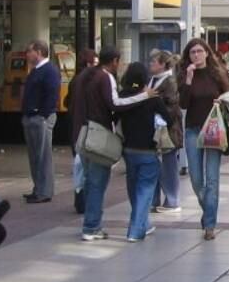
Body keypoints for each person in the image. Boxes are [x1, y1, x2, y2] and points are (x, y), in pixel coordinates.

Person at [70, 47, 154, 241]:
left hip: (82, 135)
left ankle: (91, 224)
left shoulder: (85, 76)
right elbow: (115, 104)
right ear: (114, 61)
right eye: (119, 61)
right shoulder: (105, 77)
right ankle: (91, 227)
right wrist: (144, 96)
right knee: (97, 182)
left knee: (90, 182)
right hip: (98, 136)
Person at [178, 38, 229, 240]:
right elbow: (183, 104)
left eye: (200, 51)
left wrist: (222, 101)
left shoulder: (216, 74)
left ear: (207, 53)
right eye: (192, 52)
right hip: (193, 129)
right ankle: (208, 210)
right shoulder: (185, 75)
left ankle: (209, 225)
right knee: (195, 178)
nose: (196, 55)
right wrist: (189, 79)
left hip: (213, 130)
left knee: (212, 179)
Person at [117, 62, 174, 242]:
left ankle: (144, 224)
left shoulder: (122, 96)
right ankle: (135, 230)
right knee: (144, 191)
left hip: (128, 150)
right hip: (148, 150)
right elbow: (169, 119)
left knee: (134, 189)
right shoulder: (152, 98)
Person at [20, 40, 61, 204]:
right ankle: (38, 188)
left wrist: (43, 115)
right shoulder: (35, 71)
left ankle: (44, 191)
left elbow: (52, 94)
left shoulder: (49, 70)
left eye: (30, 51)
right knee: (35, 155)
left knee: (43, 156)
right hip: (31, 117)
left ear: (39, 52)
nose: (27, 55)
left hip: (40, 117)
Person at [147, 51, 182, 214]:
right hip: (154, 129)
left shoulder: (170, 81)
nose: (151, 64)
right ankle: (155, 199)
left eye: (154, 61)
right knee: (155, 164)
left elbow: (173, 107)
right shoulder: (153, 80)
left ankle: (172, 199)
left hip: (168, 130)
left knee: (169, 165)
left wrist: (156, 109)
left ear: (162, 64)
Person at [68, 49, 98, 214]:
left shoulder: (76, 80)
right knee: (85, 167)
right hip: (85, 128)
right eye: (94, 63)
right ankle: (83, 202)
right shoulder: (87, 81)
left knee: (80, 166)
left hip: (77, 128)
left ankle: (80, 201)